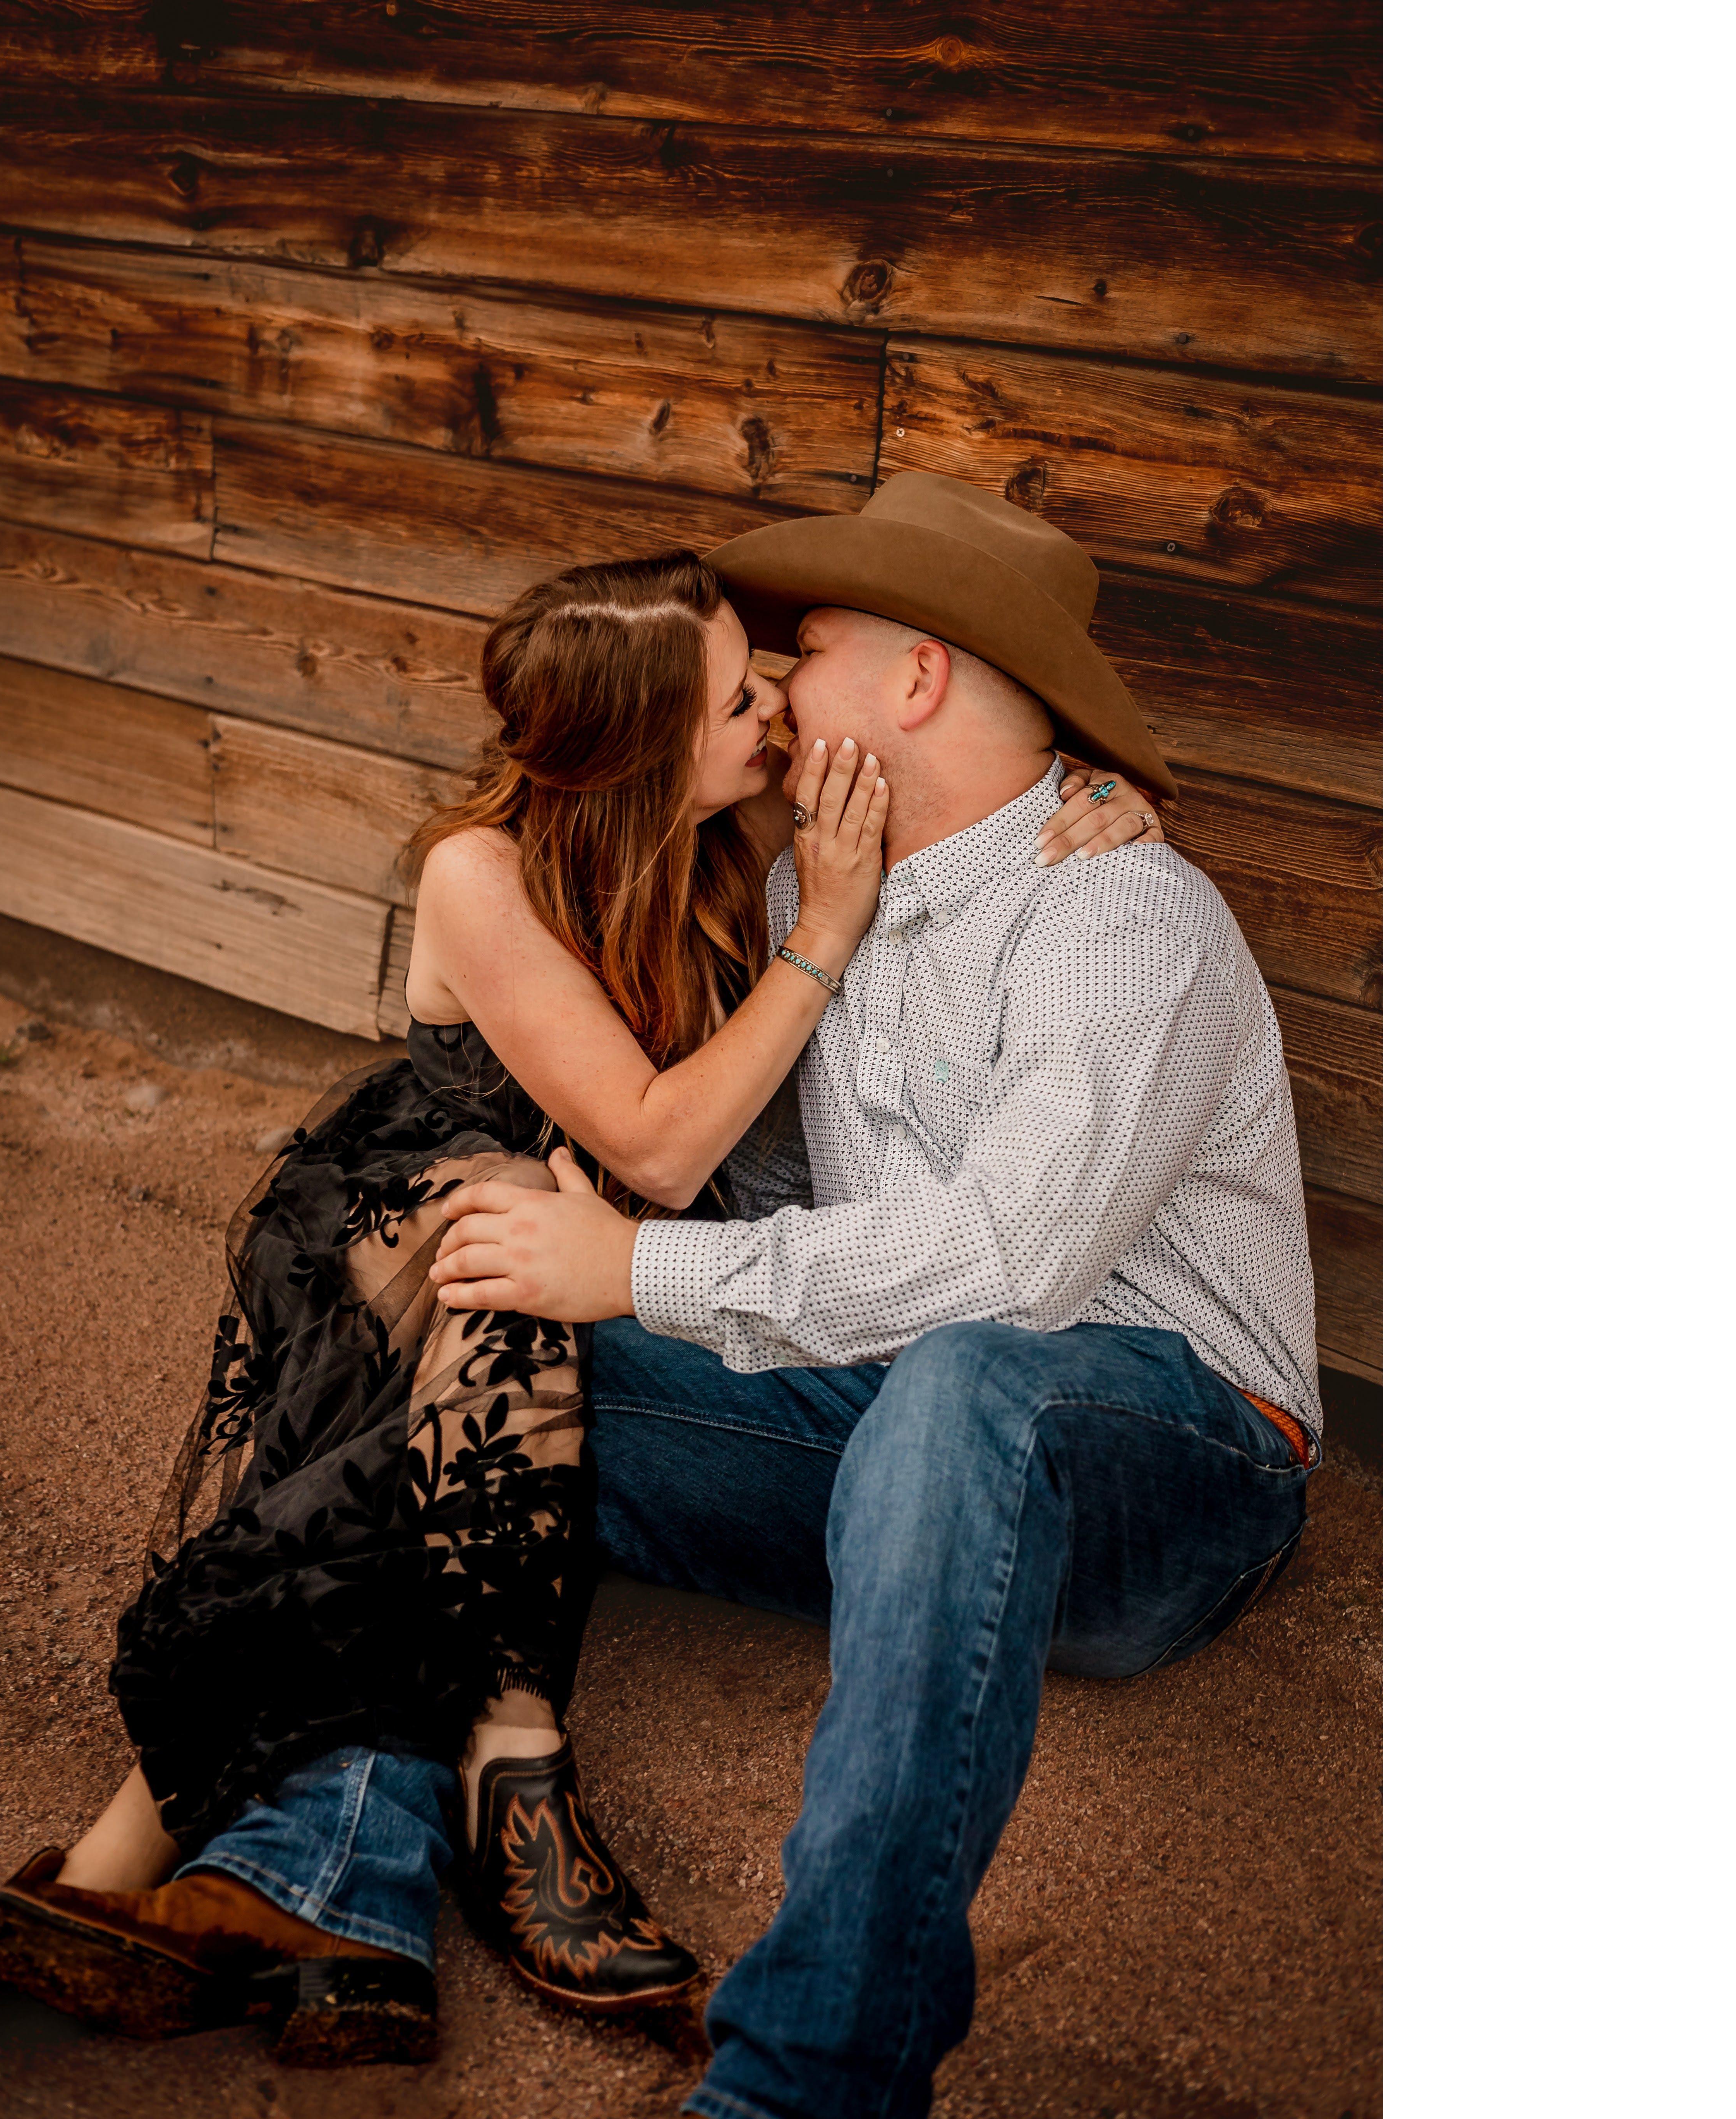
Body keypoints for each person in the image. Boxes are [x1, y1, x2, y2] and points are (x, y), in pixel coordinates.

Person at [0, 536, 1169, 2068]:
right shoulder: (482, 874)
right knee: (484, 1280)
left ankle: (265, 1887)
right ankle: (500, 1770)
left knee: (464, 1369)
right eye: (741, 696)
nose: (780, 706)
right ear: (645, 745)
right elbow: (656, 1146)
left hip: (583, 1247)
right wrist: (828, 934)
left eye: (776, 674)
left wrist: (1089, 797)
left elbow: (957, 812)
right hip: (416, 1219)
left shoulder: (748, 834)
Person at [429, 472, 1324, 2119]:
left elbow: (1010, 1270)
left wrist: (645, 1267)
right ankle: (326, 1856)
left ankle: (806, 2085)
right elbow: (795, 1217)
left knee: (971, 1371)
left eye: (812, 647)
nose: (775, 683)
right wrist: (583, 1258)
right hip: (904, 1435)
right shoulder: (809, 894)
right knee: (482, 1352)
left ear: (917, 679)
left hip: (1175, 1464)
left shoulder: (1120, 910)